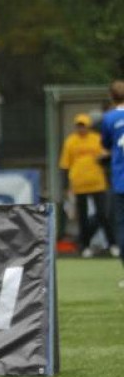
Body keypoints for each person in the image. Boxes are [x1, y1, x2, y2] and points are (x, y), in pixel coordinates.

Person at [60, 113, 116, 258]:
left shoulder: (97, 139)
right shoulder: (70, 142)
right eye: (79, 126)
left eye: (83, 125)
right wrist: (66, 186)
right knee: (83, 217)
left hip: (97, 183)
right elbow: (65, 165)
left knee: (103, 214)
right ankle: (85, 246)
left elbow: (107, 157)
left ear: (88, 126)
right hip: (79, 184)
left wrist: (104, 158)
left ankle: (112, 244)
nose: (81, 128)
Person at [100, 80, 124, 287]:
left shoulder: (109, 118)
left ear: (111, 97)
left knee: (121, 227)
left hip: (121, 181)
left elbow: (106, 145)